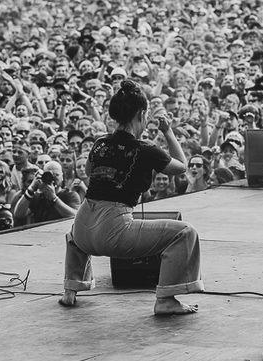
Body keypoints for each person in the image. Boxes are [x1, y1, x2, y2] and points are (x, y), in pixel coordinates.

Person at [61, 80, 204, 315]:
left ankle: (71, 290)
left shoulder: (99, 144)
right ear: (141, 114)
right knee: (185, 233)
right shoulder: (145, 149)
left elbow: (88, 172)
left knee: (74, 235)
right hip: (114, 229)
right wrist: (168, 131)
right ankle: (166, 299)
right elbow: (181, 166)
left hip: (82, 230)